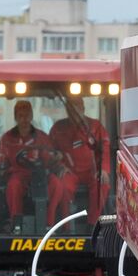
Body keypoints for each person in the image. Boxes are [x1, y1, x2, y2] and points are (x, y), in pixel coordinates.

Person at [0, 100, 61, 232]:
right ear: (15, 117)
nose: (24, 119)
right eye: (20, 116)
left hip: (41, 174)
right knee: (14, 186)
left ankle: (49, 224)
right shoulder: (7, 138)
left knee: (57, 184)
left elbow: (50, 157)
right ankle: (17, 224)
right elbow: (0, 161)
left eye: (27, 115)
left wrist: (56, 158)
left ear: (31, 116)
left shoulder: (42, 137)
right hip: (19, 174)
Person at [47, 96, 112, 224]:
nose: (75, 111)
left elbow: (104, 148)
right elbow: (49, 152)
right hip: (69, 172)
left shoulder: (95, 127)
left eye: (77, 107)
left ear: (83, 108)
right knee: (63, 186)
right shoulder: (58, 128)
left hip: (91, 171)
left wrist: (103, 169)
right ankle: (67, 227)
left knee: (101, 183)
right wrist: (58, 165)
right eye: (71, 108)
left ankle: (93, 225)